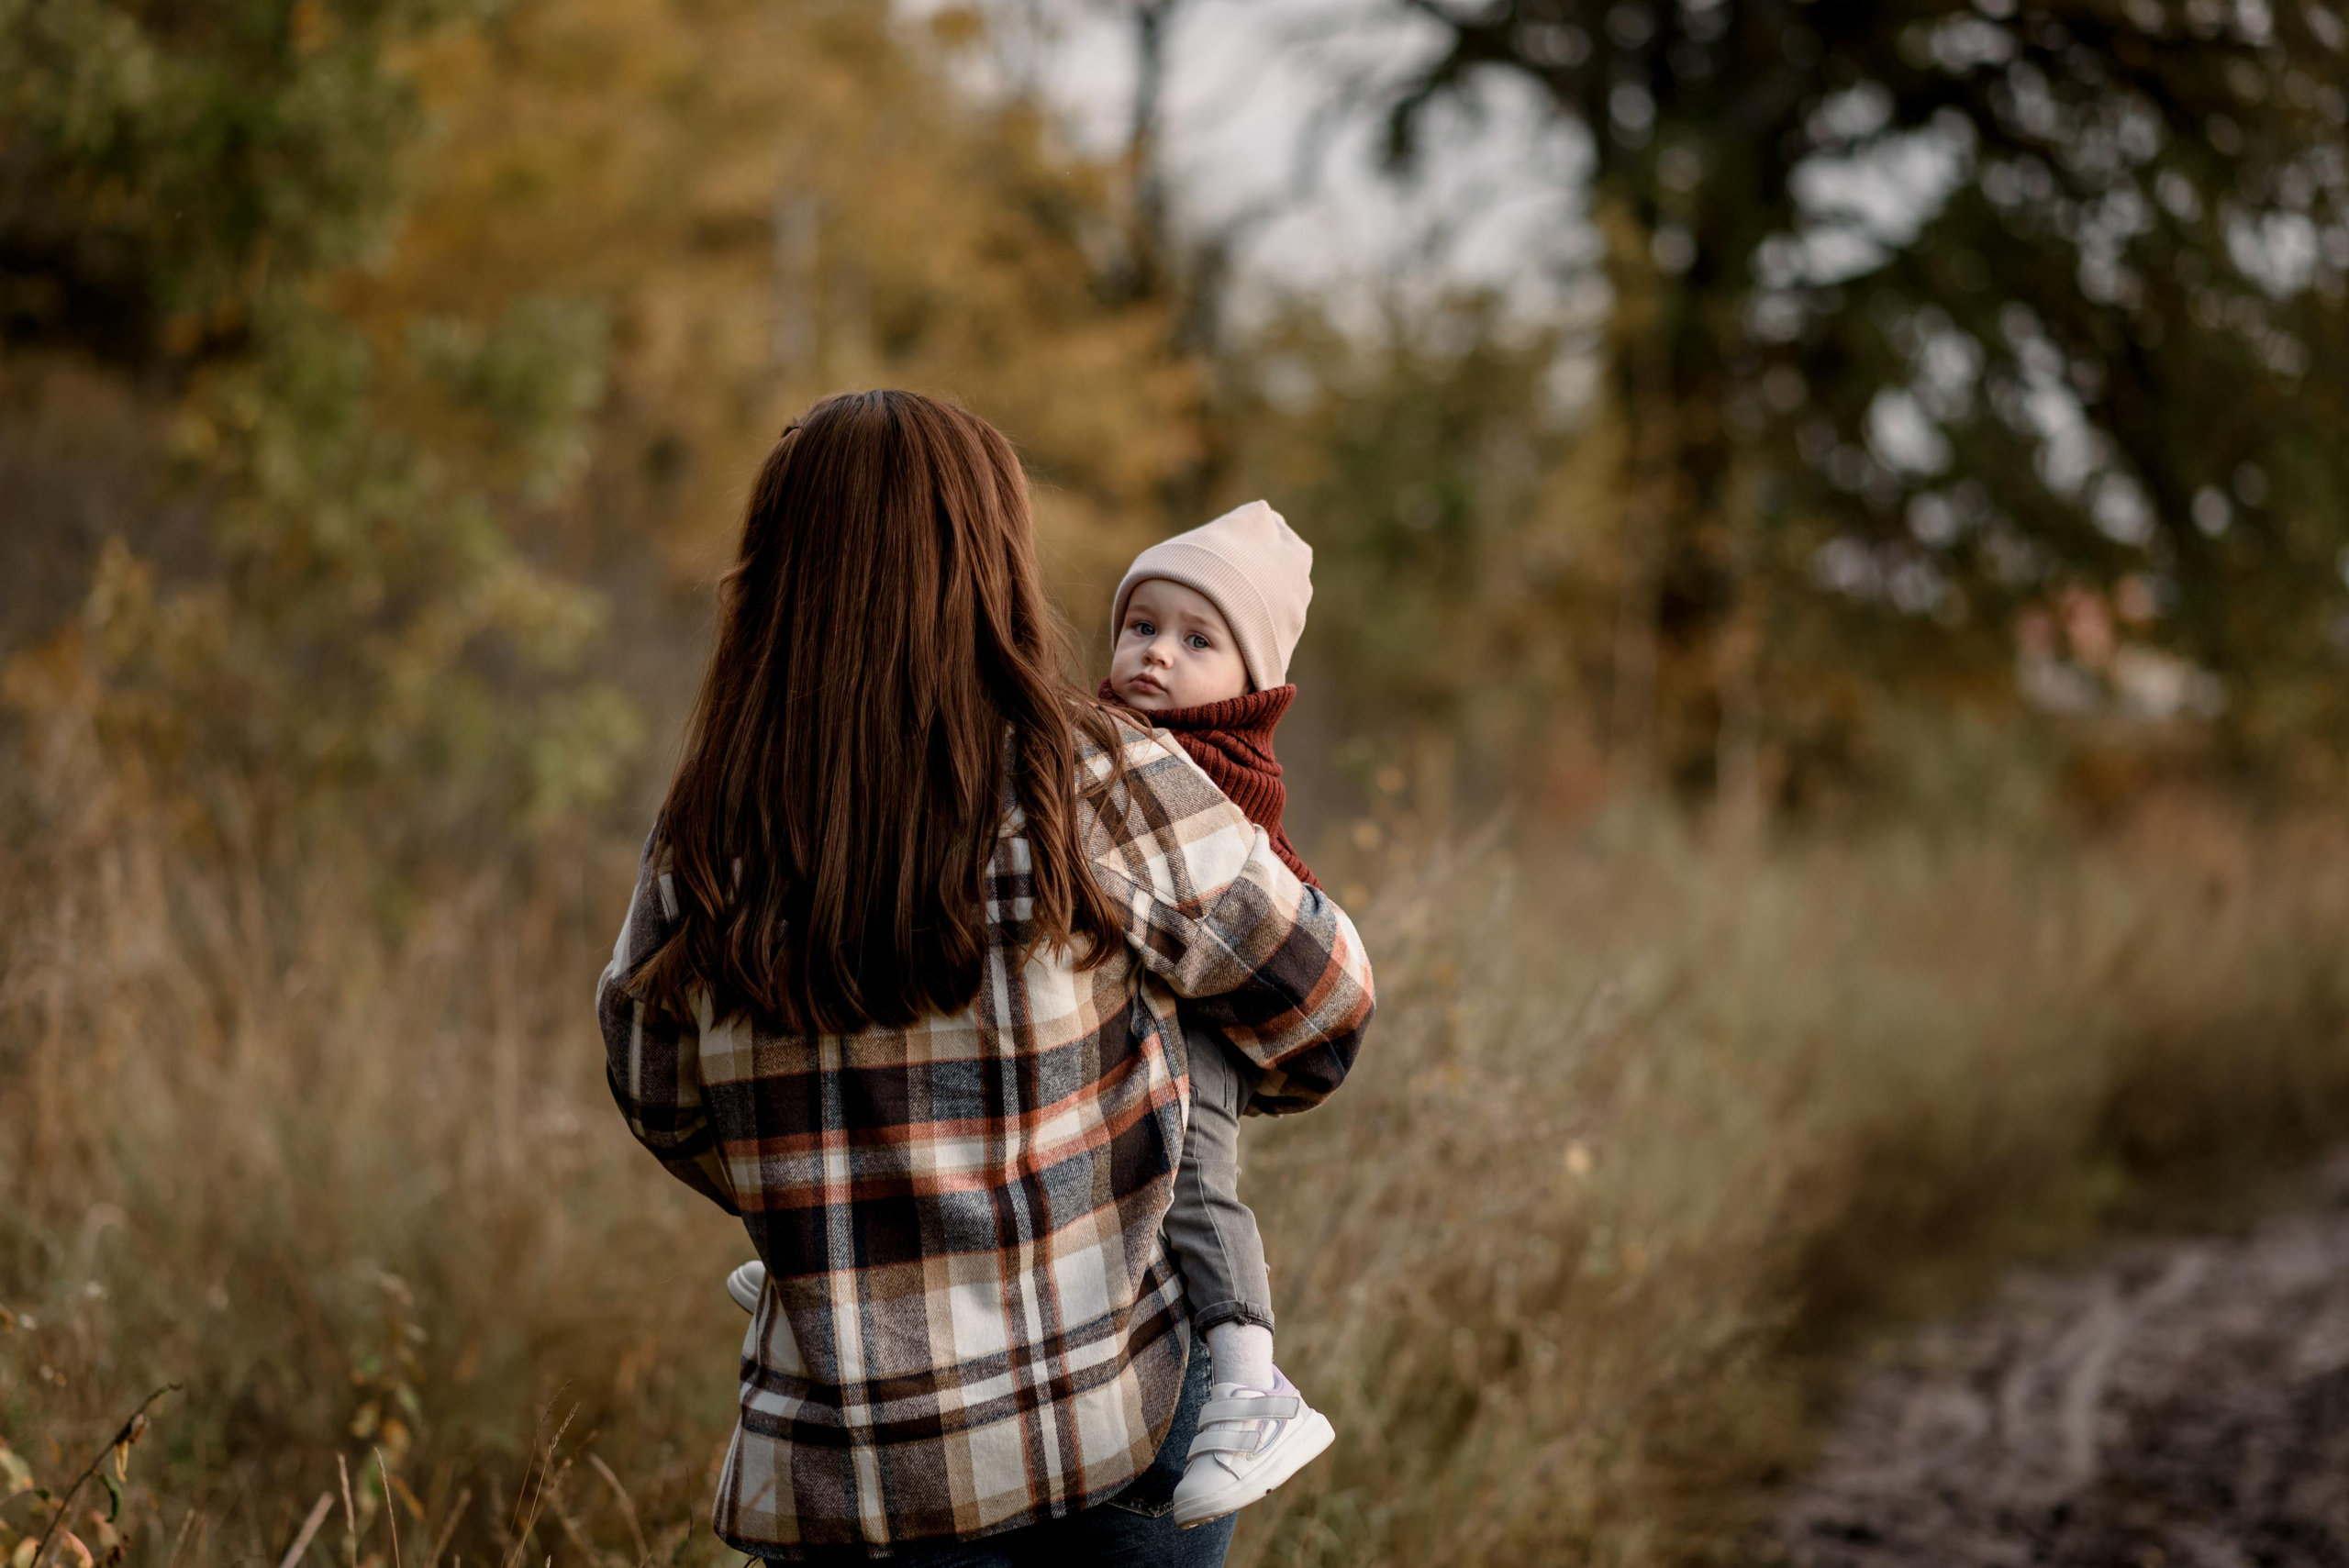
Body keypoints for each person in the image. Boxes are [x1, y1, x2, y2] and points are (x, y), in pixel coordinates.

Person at [596, 389, 1375, 1565]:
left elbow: (658, 1092)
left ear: (772, 575)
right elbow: (1325, 1006)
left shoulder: (710, 832)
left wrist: (842, 1204)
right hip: (1116, 1419)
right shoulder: (1101, 777)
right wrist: (1146, 1099)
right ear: (990, 561)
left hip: (853, 1470)